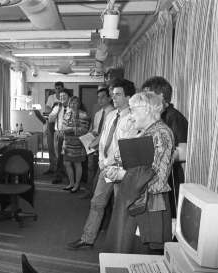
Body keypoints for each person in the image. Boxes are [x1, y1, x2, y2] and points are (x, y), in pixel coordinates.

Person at [66, 79, 138, 249]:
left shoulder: (133, 119)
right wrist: (101, 161)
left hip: (119, 170)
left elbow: (123, 148)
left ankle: (120, 244)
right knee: (97, 203)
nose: (114, 97)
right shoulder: (112, 114)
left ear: (128, 97)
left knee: (121, 208)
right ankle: (87, 238)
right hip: (105, 167)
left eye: (118, 94)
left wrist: (106, 162)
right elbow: (104, 138)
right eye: (113, 94)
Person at [101, 92, 176, 254]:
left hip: (149, 206)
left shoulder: (161, 134)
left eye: (133, 110)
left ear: (147, 110)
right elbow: (137, 167)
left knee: (138, 258)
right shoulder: (146, 133)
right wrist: (118, 171)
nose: (130, 117)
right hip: (138, 201)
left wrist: (124, 175)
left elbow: (158, 181)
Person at [141, 77, 188, 218]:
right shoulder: (155, 117)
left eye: (148, 95)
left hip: (170, 177)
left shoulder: (175, 117)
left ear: (160, 96)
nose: (145, 100)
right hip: (153, 174)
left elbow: (184, 153)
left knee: (169, 217)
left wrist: (158, 155)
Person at [79, 88, 115, 200]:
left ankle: (98, 195)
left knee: (101, 170)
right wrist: (88, 138)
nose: (100, 100)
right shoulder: (98, 113)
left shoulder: (114, 112)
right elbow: (94, 128)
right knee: (91, 168)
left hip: (106, 146)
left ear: (109, 98)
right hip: (94, 143)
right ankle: (89, 191)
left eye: (103, 97)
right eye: (98, 97)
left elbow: (106, 132)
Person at [60, 96, 91, 193]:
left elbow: (85, 130)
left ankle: (77, 184)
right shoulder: (67, 113)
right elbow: (63, 126)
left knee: (77, 164)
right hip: (67, 142)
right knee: (67, 163)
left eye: (75, 102)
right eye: (71, 102)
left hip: (77, 143)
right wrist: (63, 130)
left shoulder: (83, 114)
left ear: (78, 104)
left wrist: (72, 129)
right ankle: (71, 183)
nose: (73, 104)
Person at [43, 82, 64, 175]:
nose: (58, 90)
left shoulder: (65, 97)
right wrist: (55, 108)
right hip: (51, 123)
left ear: (62, 88)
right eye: (56, 88)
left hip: (62, 124)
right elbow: (47, 109)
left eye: (59, 88)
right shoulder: (51, 97)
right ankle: (52, 167)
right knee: (51, 146)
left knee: (61, 148)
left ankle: (62, 169)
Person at [50, 90, 71, 184]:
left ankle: (70, 175)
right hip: (58, 133)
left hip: (69, 134)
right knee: (58, 157)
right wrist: (57, 111)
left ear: (69, 97)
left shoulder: (72, 107)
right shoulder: (57, 107)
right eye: (61, 96)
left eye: (64, 96)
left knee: (69, 155)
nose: (62, 98)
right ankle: (58, 176)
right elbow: (50, 119)